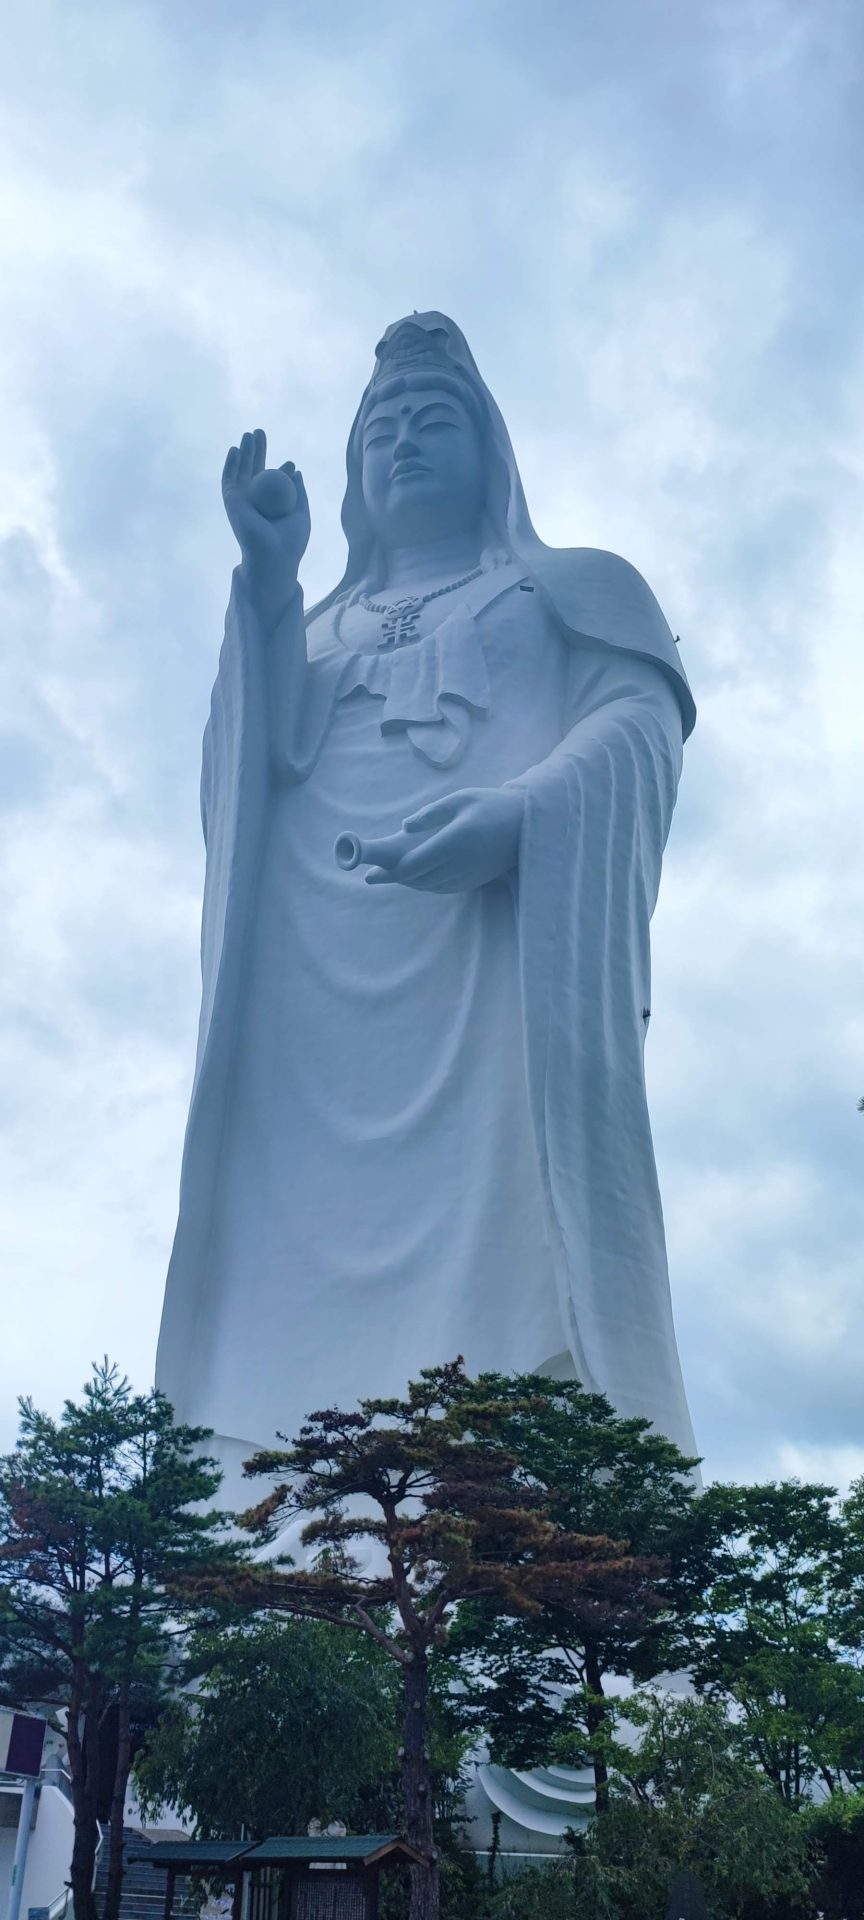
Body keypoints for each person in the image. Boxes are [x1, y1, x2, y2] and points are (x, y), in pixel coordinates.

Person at [155, 312, 698, 1504]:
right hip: (309, 993)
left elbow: (641, 720)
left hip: (492, 970)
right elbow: (246, 773)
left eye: (433, 420)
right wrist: (267, 582)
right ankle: (275, 1510)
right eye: (381, 428)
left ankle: (516, 1506)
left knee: (513, 1223)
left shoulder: (569, 587)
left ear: (490, 449)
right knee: (275, 1238)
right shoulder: (309, 629)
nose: (403, 443)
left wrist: (523, 814)